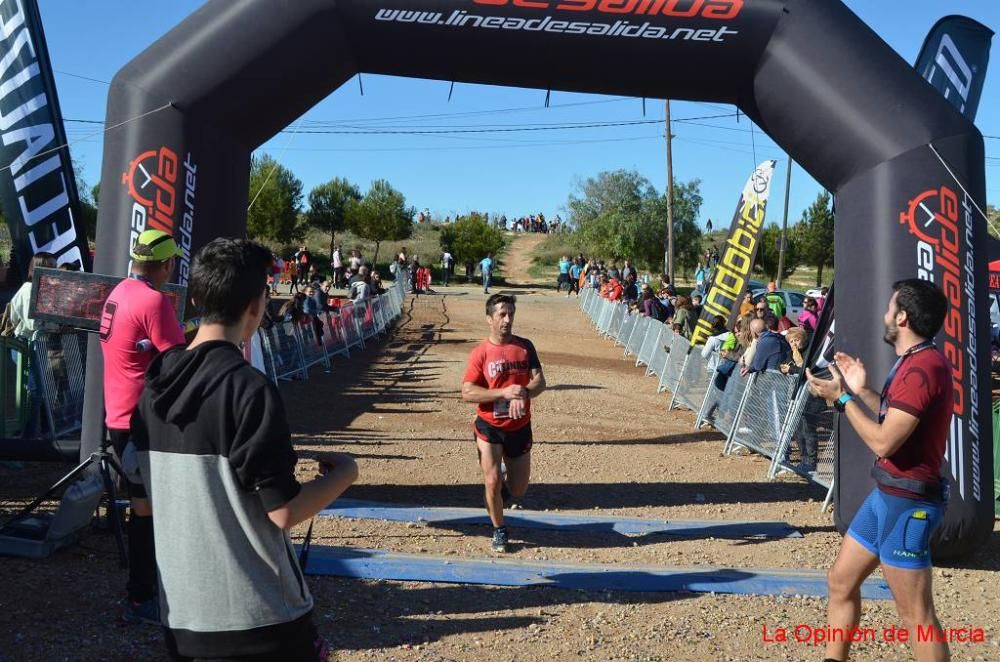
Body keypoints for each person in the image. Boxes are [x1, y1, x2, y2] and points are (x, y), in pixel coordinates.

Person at [130, 238, 358, 660]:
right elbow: (284, 510)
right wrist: (345, 473)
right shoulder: (248, 389)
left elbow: (143, 504)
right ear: (256, 306)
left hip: (184, 618)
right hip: (261, 618)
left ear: (195, 297)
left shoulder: (153, 388)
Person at [806, 279, 952, 662]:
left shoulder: (924, 369)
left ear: (902, 317)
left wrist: (840, 399)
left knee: (916, 616)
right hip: (887, 495)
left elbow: (884, 442)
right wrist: (860, 390)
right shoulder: (913, 361)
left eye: (890, 308)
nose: (885, 314)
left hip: (909, 503)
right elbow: (896, 415)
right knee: (841, 581)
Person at [98, 230, 187, 625]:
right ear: (167, 264)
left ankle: (147, 593)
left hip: (119, 415)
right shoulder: (154, 300)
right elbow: (177, 360)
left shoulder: (118, 293)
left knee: (145, 508)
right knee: (149, 511)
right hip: (143, 419)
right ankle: (142, 598)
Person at [461, 294, 546, 553]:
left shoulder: (525, 347)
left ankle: (499, 495)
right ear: (490, 319)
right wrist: (502, 393)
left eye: (511, 314)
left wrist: (523, 392)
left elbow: (540, 381)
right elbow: (467, 392)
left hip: (519, 426)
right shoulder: (481, 353)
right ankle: (499, 529)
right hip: (489, 427)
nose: (507, 319)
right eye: (502, 314)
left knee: (518, 489)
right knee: (492, 480)